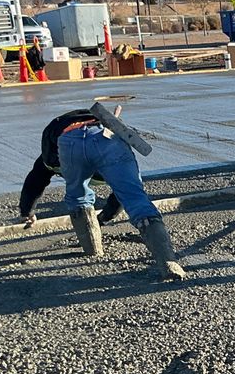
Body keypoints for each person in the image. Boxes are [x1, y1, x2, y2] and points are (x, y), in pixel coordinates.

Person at [26, 108, 186, 280]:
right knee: (134, 197)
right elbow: (121, 195)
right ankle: (169, 264)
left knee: (77, 195)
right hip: (107, 137)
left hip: (68, 140)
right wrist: (105, 217)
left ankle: (93, 249)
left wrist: (27, 211)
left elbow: (33, 181)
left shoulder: (50, 152)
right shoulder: (111, 147)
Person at [19, 109, 123, 226]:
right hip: (59, 132)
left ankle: (86, 221)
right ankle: (86, 222)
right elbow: (35, 181)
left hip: (63, 133)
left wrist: (106, 216)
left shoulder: (111, 159)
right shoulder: (54, 155)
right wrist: (27, 211)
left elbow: (125, 189)